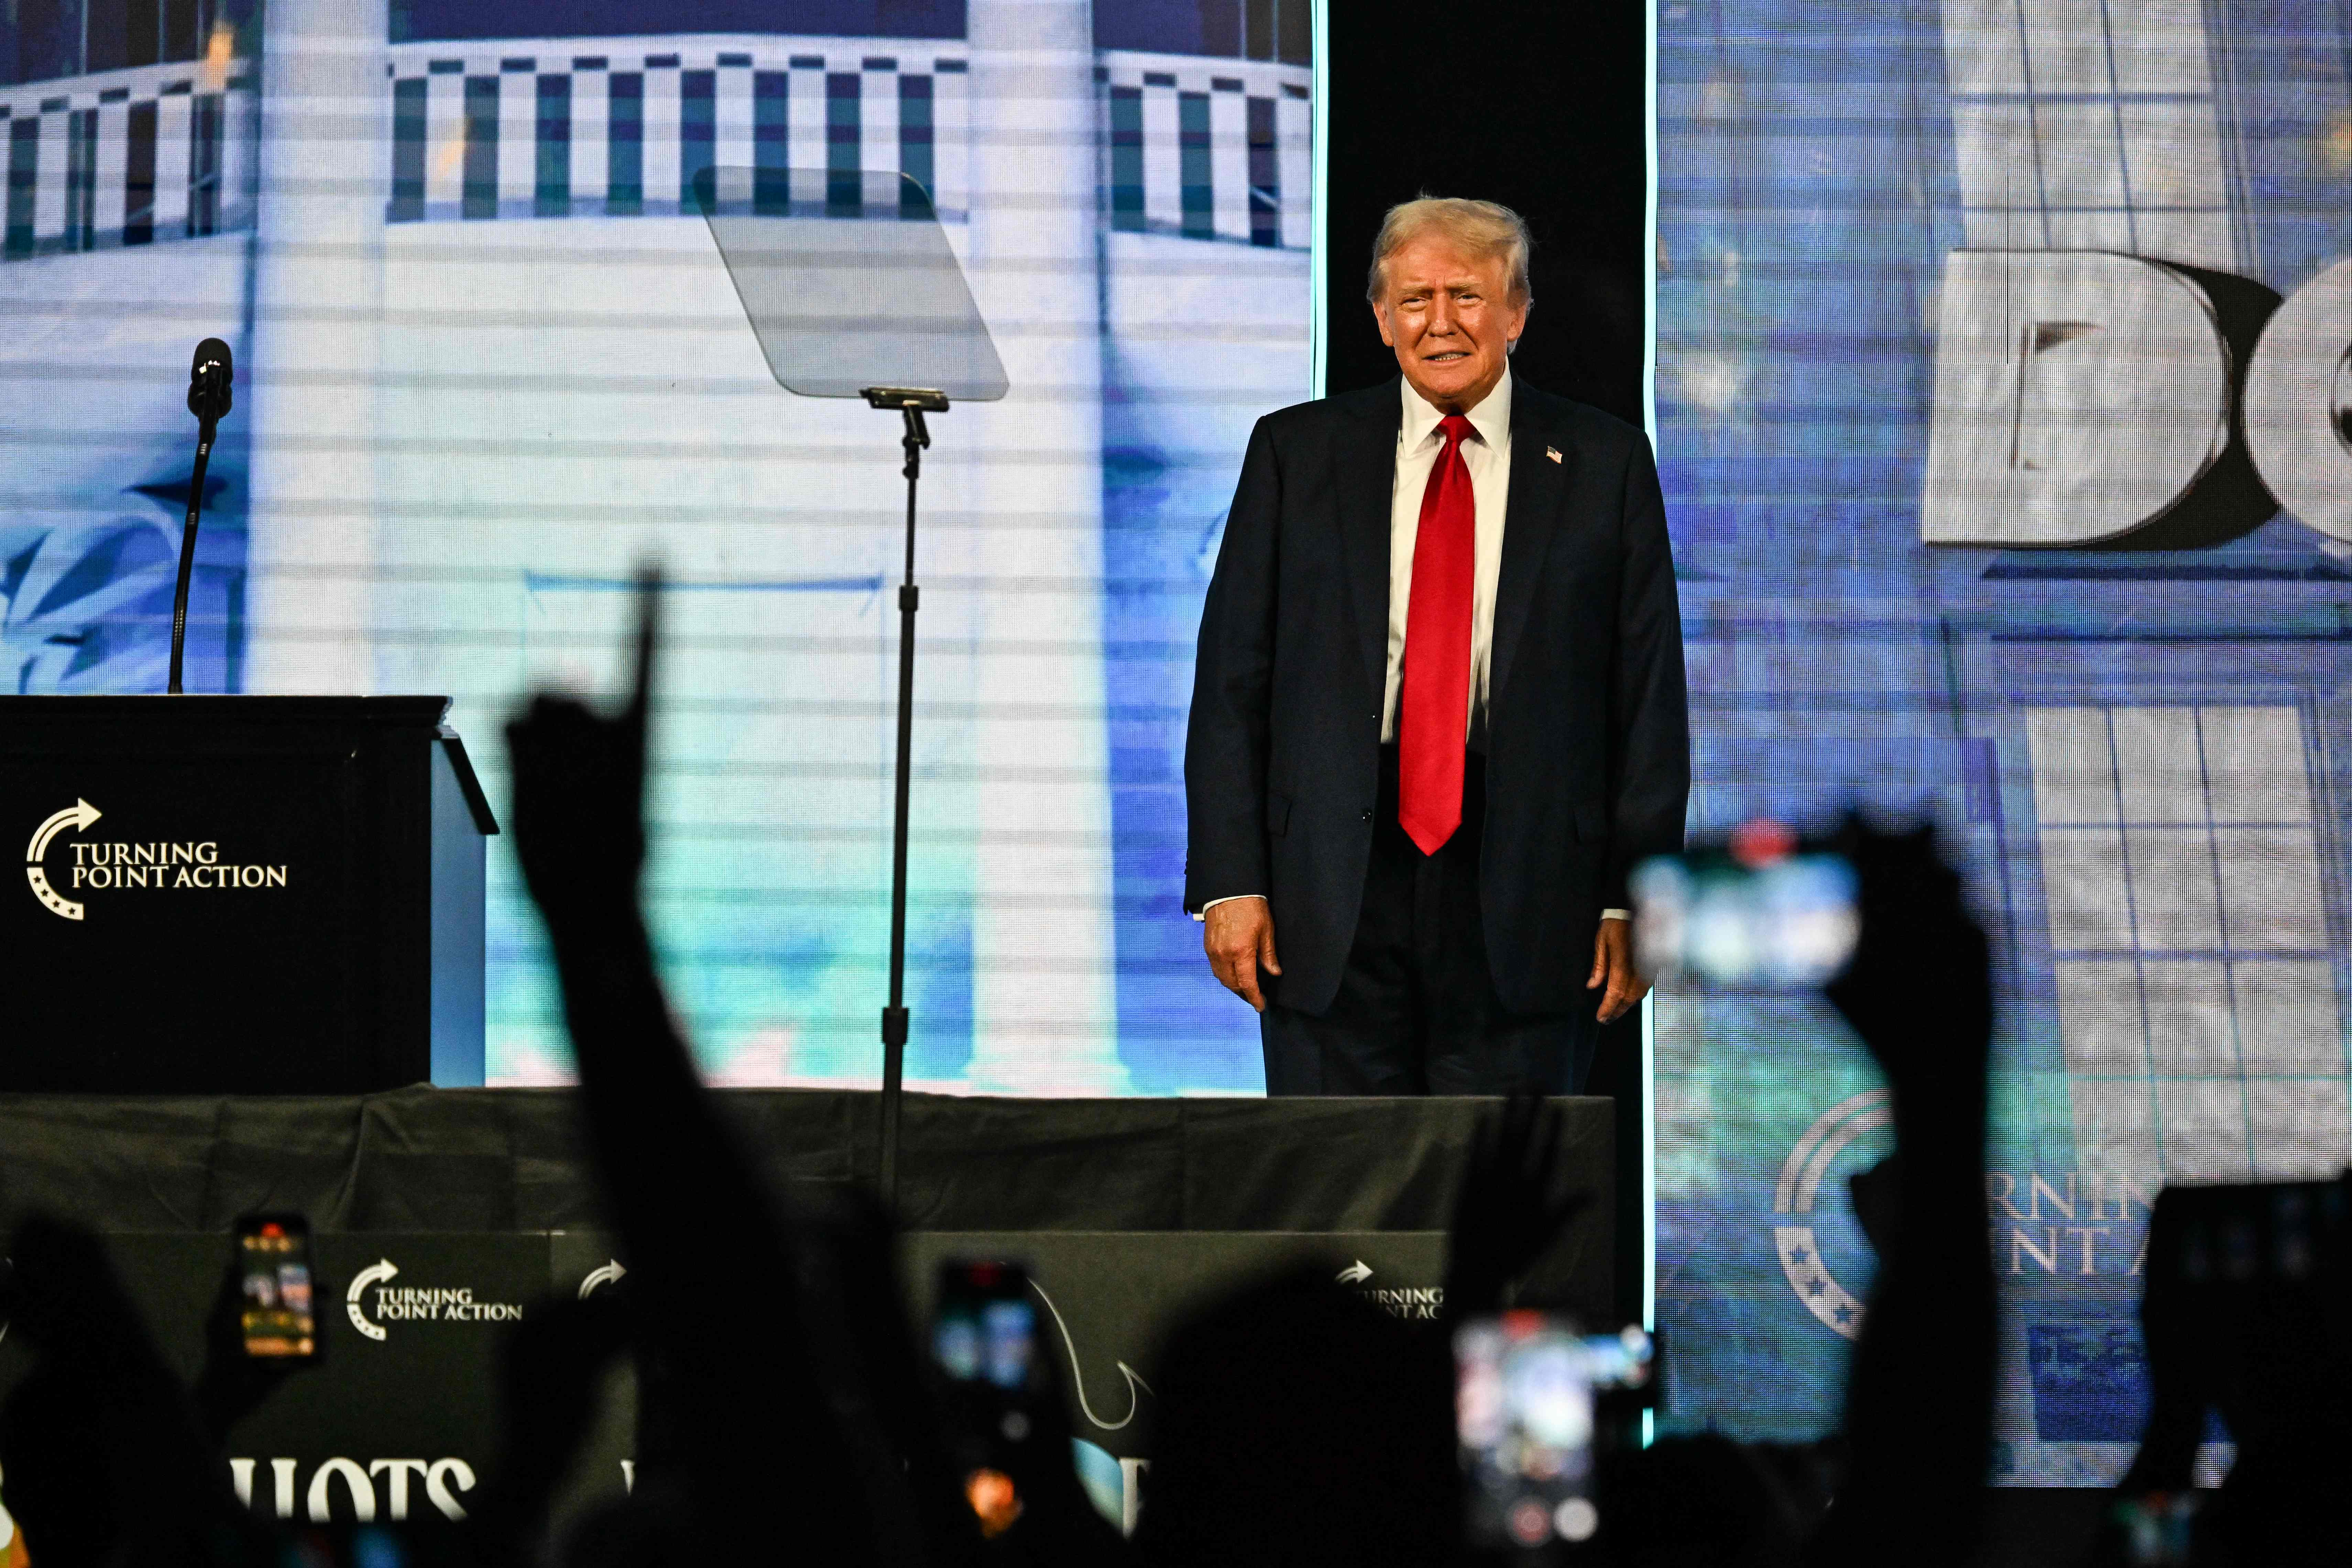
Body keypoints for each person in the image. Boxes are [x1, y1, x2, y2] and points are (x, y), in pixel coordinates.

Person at [1184, 196, 1690, 1095]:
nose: (1440, 322)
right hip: (1328, 888)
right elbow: (1232, 683)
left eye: (1466, 294)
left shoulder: (1604, 463)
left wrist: (1633, 894)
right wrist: (1230, 882)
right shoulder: (1293, 454)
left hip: (1536, 887)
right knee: (1337, 1193)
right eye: (1414, 299)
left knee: (1508, 1204)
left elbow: (1644, 697)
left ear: (1517, 314)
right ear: (1380, 319)